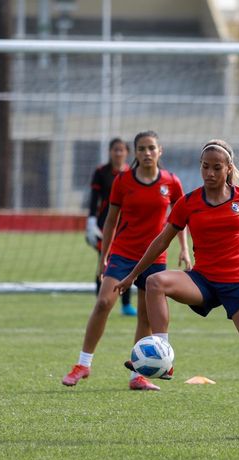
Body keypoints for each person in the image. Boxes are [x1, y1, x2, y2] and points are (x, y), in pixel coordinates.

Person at [114, 139, 239, 440]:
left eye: (217, 167)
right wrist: (131, 275)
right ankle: (164, 355)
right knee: (154, 282)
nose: (210, 173)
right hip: (203, 278)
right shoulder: (189, 202)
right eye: (205, 166)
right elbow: (162, 240)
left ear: (228, 169)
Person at [62, 130, 190, 391]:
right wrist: (104, 255)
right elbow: (111, 220)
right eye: (141, 149)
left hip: (155, 256)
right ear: (135, 152)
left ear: (160, 151)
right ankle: (83, 364)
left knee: (145, 315)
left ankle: (137, 376)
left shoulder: (172, 182)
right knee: (104, 302)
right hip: (123, 254)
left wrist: (184, 249)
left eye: (151, 148)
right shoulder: (123, 181)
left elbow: (180, 220)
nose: (147, 153)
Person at [86, 137, 136, 316]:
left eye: (122, 150)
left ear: (127, 153)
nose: (118, 153)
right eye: (115, 149)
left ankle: (126, 304)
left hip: (126, 227)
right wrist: (91, 221)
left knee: (128, 264)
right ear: (109, 152)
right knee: (104, 262)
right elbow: (94, 198)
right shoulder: (101, 172)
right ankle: (100, 302)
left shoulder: (132, 174)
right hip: (104, 225)